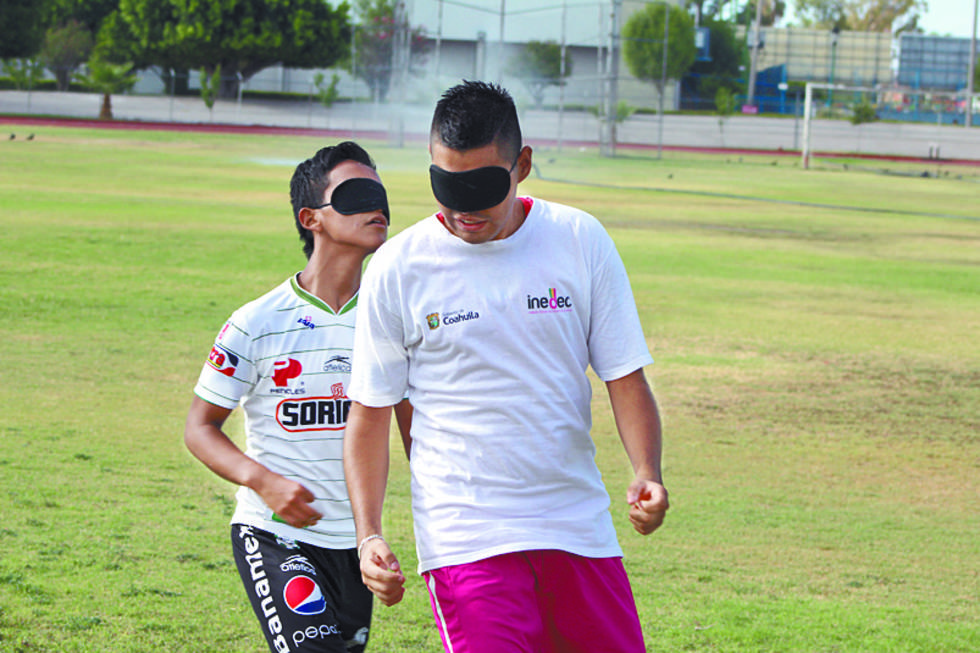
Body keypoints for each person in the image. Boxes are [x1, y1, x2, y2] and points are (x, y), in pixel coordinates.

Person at [343, 81, 669, 653]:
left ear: (522, 165)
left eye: (482, 186)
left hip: (577, 524)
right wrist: (369, 534)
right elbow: (370, 413)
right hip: (466, 533)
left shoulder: (579, 239)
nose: (464, 207)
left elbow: (624, 374)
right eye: (447, 185)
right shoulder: (398, 267)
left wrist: (647, 470)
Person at [184, 141, 412, 653]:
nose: (376, 206)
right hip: (273, 536)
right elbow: (199, 428)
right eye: (355, 194)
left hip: (354, 545)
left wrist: (380, 540)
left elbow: (415, 434)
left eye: (380, 193)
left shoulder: (392, 320)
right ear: (311, 218)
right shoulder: (256, 323)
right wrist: (262, 482)